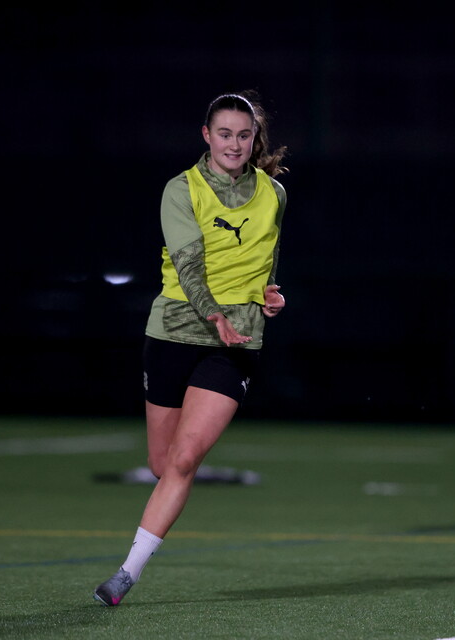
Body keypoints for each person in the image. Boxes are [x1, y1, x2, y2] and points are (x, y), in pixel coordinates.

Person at [93, 91, 289, 606]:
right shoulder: (181, 190)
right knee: (163, 464)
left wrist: (269, 294)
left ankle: (125, 575)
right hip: (174, 332)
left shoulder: (274, 193)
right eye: (224, 133)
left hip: (235, 343)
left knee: (183, 460)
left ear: (253, 140)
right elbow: (188, 266)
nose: (234, 143)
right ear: (207, 136)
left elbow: (265, 257)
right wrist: (214, 315)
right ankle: (157, 517)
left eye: (243, 135)